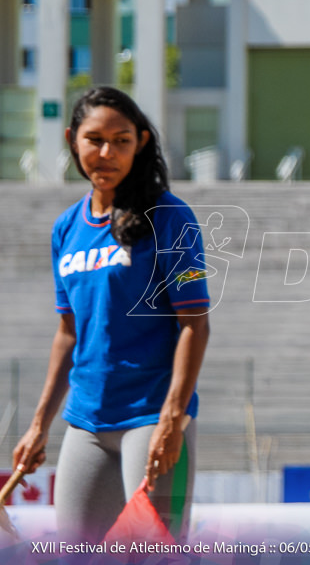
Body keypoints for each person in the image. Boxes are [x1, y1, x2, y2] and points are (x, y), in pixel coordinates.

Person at [11, 87, 211, 542]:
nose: (107, 152)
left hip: (152, 419)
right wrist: (40, 425)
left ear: (140, 143)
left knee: (156, 553)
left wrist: (172, 419)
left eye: (121, 140)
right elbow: (67, 334)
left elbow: (195, 324)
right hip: (86, 423)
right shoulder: (66, 228)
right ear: (71, 140)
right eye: (94, 139)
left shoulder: (171, 218)